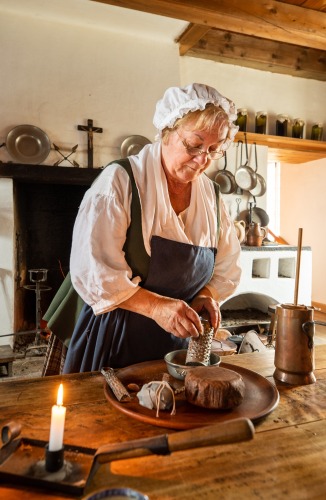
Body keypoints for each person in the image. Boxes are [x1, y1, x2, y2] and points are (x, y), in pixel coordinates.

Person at [48, 83, 242, 374]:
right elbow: (94, 271)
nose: (203, 159)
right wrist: (155, 307)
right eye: (194, 145)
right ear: (166, 132)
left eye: (214, 150)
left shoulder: (211, 196)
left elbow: (226, 265)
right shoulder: (120, 181)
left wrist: (206, 295)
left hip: (175, 344)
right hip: (115, 339)